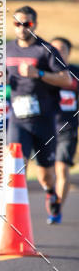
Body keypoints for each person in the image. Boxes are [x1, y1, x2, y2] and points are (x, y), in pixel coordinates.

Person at [6, 6, 72, 223]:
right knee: (17, 166)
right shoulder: (7, 51)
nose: (22, 28)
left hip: (44, 120)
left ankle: (51, 193)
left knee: (46, 175)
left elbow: (66, 79)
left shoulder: (46, 50)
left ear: (35, 25)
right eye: (18, 24)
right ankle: (15, 218)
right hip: (18, 120)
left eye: (27, 24)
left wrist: (40, 74)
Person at [49, 37, 78, 223]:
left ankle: (56, 209)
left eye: (62, 50)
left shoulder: (75, 73)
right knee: (46, 172)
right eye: (53, 49)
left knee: (62, 169)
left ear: (68, 52)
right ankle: (49, 194)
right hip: (44, 128)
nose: (58, 53)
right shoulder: (42, 72)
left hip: (67, 129)